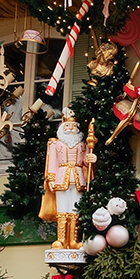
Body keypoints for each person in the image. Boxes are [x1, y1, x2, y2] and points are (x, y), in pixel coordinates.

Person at [39, 107, 96, 250]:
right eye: (68, 126)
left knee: (75, 211)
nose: (71, 128)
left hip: (78, 179)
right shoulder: (55, 143)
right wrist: (50, 178)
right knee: (62, 210)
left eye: (74, 126)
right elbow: (52, 161)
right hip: (61, 178)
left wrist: (91, 158)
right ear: (63, 126)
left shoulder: (83, 144)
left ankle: (73, 241)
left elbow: (85, 161)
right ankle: (61, 241)